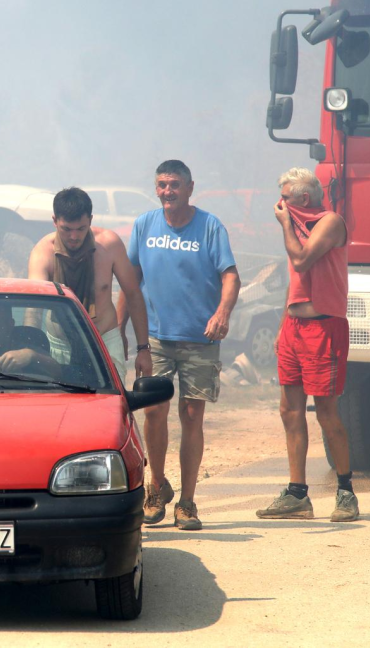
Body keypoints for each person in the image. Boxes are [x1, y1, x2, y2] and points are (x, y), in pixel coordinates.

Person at [118, 160, 240, 530]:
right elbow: (130, 280)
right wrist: (121, 330)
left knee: (191, 416)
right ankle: (157, 489)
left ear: (190, 187)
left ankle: (187, 502)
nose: (167, 191)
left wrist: (223, 312)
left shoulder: (210, 226)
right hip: (155, 337)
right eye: (161, 185)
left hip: (199, 339)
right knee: (153, 412)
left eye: (174, 185)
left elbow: (230, 276)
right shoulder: (144, 225)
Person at [257, 168, 359, 522]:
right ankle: (297, 492)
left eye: (285, 198)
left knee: (327, 413)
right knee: (289, 410)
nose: (279, 205)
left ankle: (345, 491)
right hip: (295, 327)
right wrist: (284, 324)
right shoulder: (297, 228)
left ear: (302, 199)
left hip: (323, 328)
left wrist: (285, 225)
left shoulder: (330, 222)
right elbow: (296, 277)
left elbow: (302, 259)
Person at [27, 187, 152, 386]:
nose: (74, 237)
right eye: (66, 229)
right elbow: (33, 307)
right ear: (54, 221)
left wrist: (143, 349)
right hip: (60, 344)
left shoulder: (109, 245)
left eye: (81, 229)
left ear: (90, 221)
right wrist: (29, 348)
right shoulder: (43, 252)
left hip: (104, 339)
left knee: (110, 406)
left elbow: (133, 294)